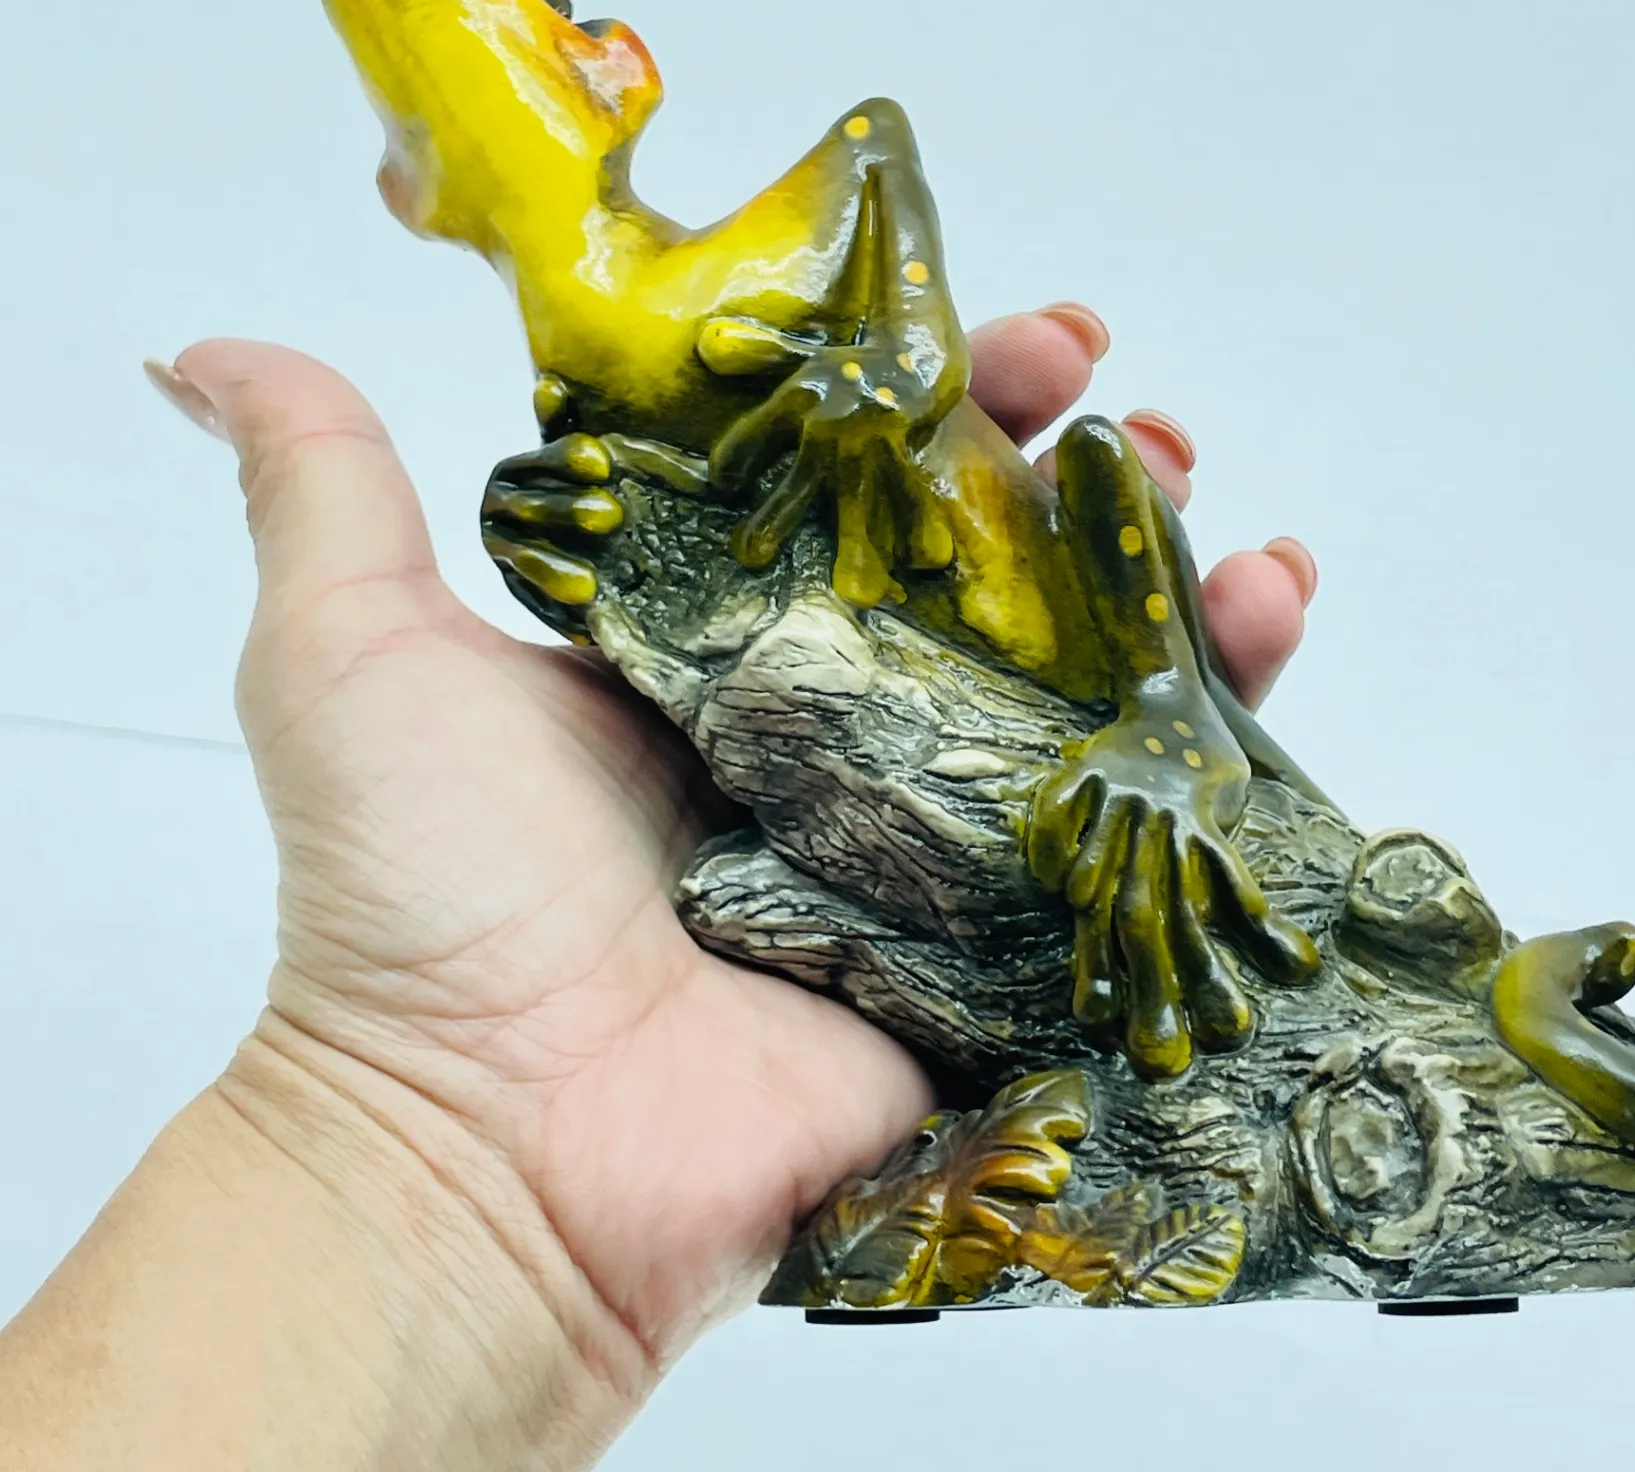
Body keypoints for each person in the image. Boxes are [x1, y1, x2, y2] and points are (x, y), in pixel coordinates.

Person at [0, 306, 1319, 1469]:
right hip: (882, 895)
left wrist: (1170, 721)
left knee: (1103, 507)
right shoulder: (706, 847)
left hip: (1057, 829)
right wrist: (427, 1134)